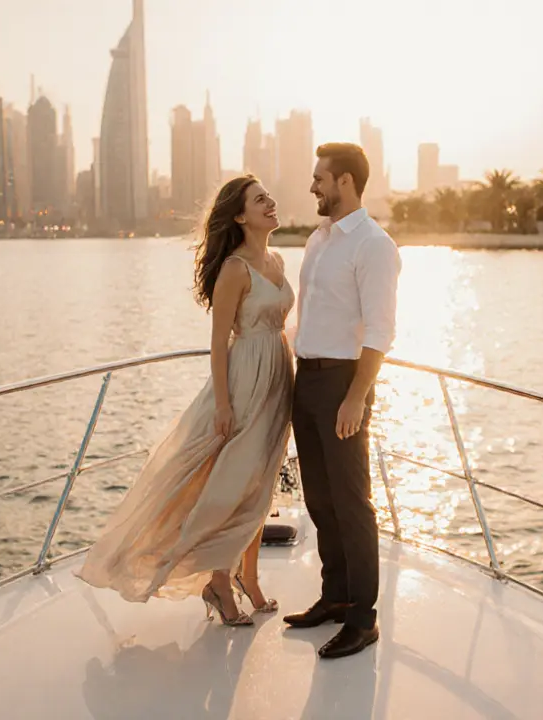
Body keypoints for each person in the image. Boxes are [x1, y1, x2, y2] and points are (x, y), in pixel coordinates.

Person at [74, 176, 294, 626]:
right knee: (234, 485)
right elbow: (219, 342)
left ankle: (247, 578)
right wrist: (224, 403)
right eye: (259, 200)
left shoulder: (276, 259)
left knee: (262, 484)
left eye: (268, 196)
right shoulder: (235, 269)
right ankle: (218, 581)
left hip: (278, 377)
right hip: (246, 380)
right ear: (239, 215)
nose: (270, 203)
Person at [282, 143, 401, 659]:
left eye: (320, 179)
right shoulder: (319, 239)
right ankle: (334, 597)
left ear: (346, 182)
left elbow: (380, 332)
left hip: (342, 385)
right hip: (306, 381)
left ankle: (363, 618)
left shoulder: (373, 245)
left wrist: (356, 398)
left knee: (352, 505)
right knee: (319, 500)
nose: (312, 187)